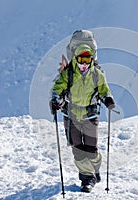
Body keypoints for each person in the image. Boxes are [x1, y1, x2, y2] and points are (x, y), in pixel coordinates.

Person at [50, 43, 115, 193]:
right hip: (71, 116)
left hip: (90, 116)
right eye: (81, 60)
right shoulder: (69, 73)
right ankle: (87, 179)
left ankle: (95, 168)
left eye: (87, 60)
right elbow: (58, 87)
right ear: (76, 59)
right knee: (78, 149)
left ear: (91, 60)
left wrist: (108, 99)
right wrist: (55, 100)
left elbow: (104, 90)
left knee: (91, 150)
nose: (83, 64)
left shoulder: (97, 74)